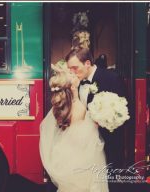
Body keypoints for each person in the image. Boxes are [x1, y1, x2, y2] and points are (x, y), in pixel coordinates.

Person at [40, 62, 109, 192]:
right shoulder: (80, 108)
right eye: (71, 75)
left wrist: (75, 93)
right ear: (72, 87)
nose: (74, 74)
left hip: (64, 155)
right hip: (81, 160)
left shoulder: (57, 109)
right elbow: (88, 136)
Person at [67, 48, 127, 175]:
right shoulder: (74, 83)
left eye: (75, 68)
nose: (72, 72)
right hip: (83, 142)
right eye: (69, 69)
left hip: (107, 144)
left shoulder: (112, 78)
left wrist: (104, 121)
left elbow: (122, 111)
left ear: (87, 63)